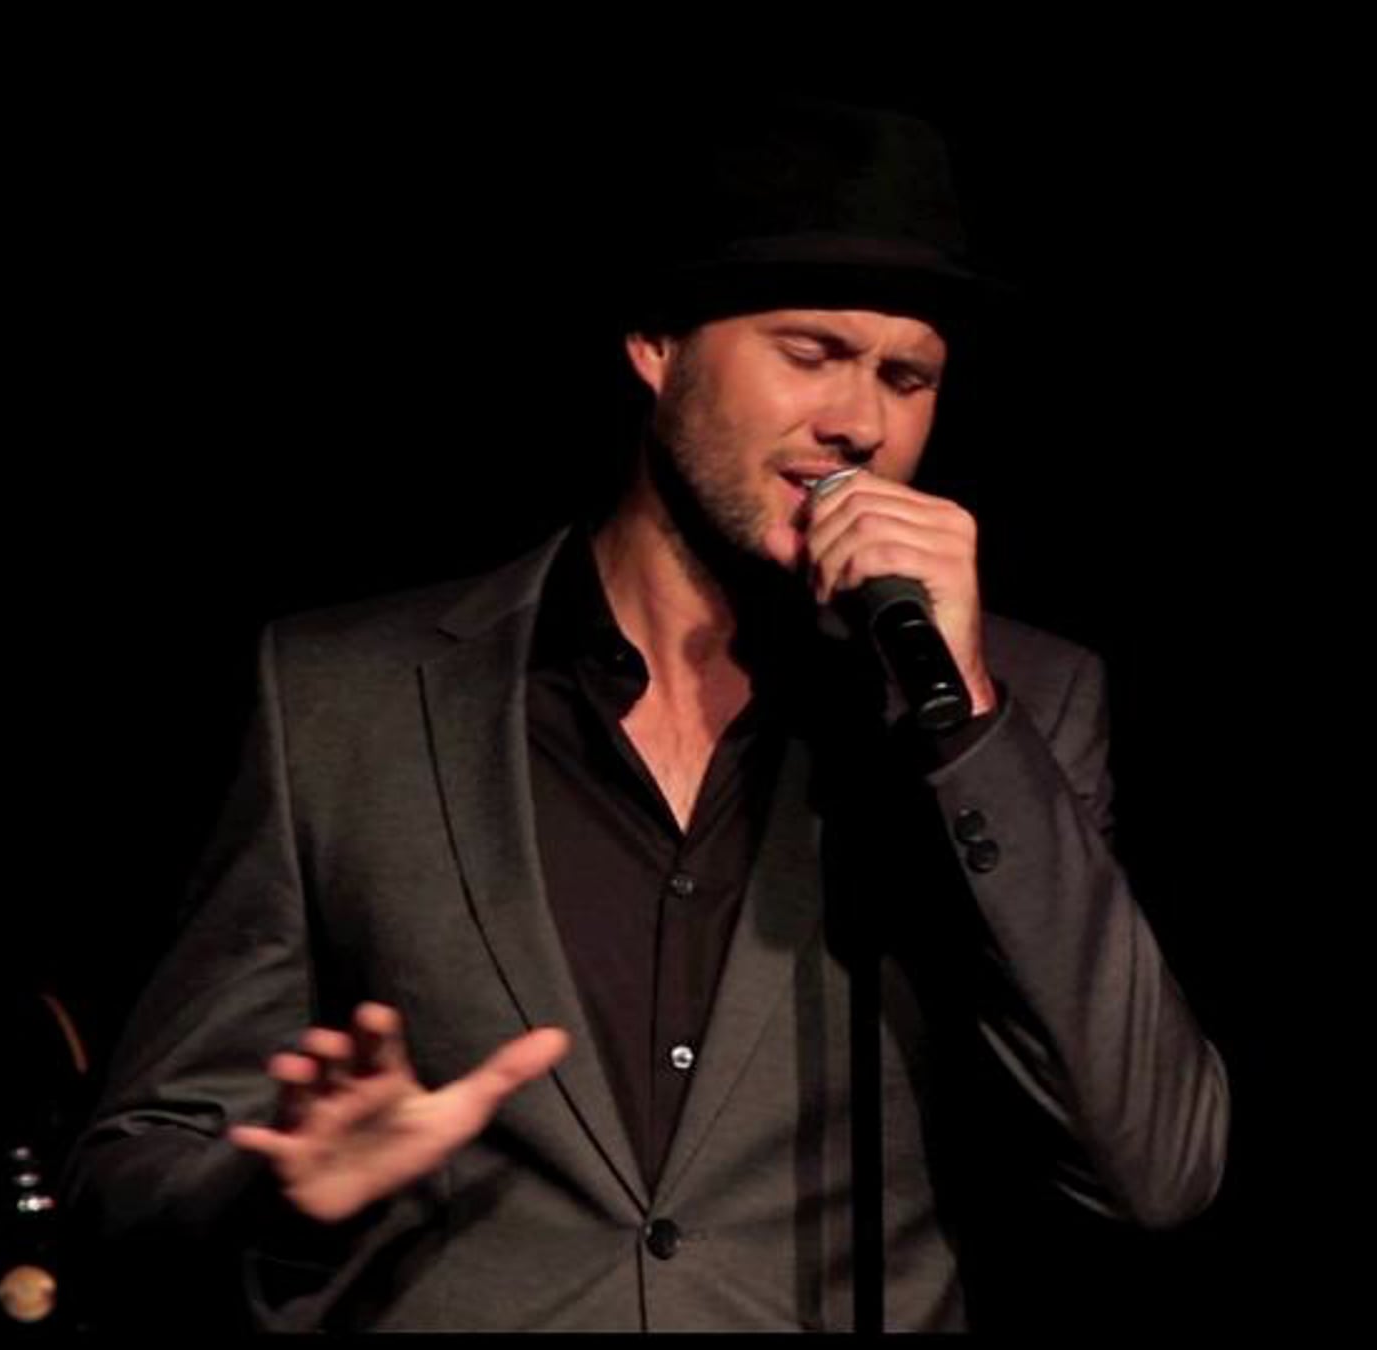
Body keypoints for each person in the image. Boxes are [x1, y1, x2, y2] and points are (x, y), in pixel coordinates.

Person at [65, 95, 1229, 1332]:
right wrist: (280, 1195)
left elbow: (1157, 1170)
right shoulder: (345, 695)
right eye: (811, 352)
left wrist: (966, 723)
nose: (861, 422)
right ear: (656, 344)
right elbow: (130, 1169)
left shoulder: (1017, 710)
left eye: (908, 377)